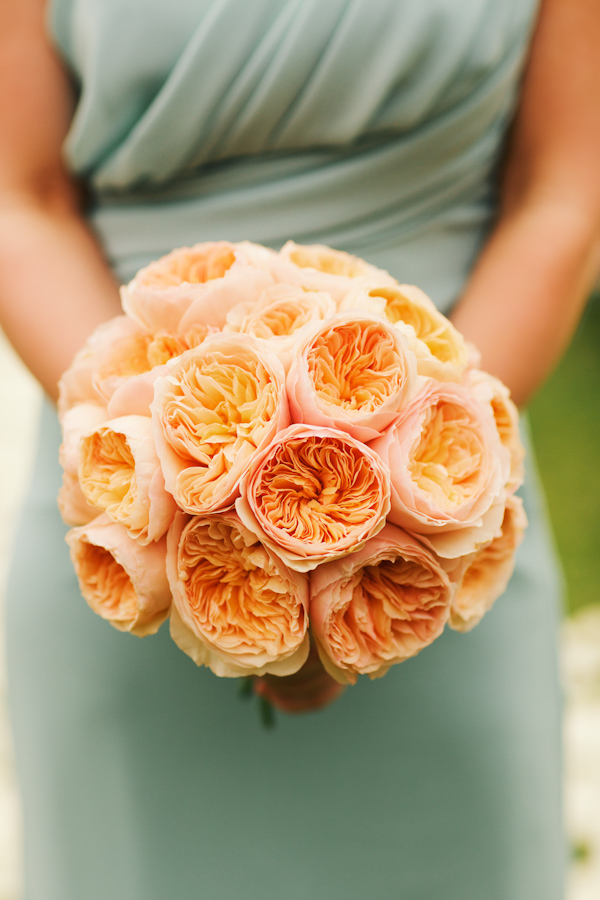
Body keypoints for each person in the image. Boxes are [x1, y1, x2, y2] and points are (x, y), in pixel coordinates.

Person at [1, 0, 599, 897]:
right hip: (134, 521)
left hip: (429, 559)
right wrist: (159, 467)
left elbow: (563, 195)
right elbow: (19, 197)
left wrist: (406, 497)